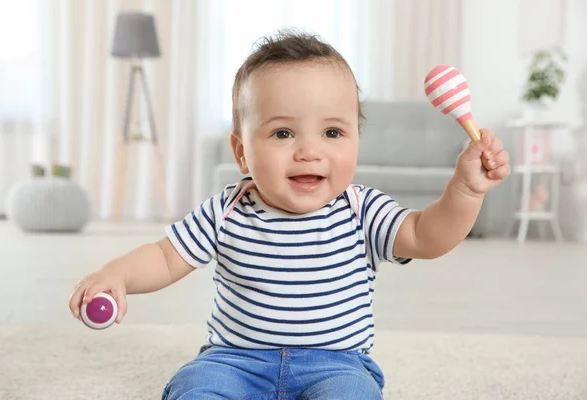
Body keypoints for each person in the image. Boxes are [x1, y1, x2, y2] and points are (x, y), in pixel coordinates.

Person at [69, 30, 510, 400]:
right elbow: (166, 257)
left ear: (357, 140)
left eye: (333, 132)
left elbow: (427, 237)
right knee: (195, 387)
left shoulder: (362, 209)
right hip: (234, 360)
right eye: (282, 132)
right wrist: (118, 274)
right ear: (242, 152)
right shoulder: (228, 209)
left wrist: (465, 191)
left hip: (337, 365)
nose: (309, 151)